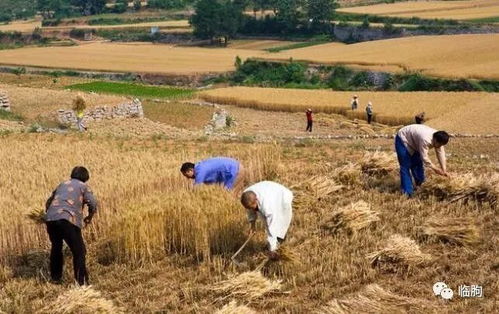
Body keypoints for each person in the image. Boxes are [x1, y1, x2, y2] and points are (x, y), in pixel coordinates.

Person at [45, 166, 97, 285]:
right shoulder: (83, 186)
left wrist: (50, 214)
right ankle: (81, 282)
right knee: (79, 251)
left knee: (56, 247)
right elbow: (93, 203)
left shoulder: (62, 184)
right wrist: (89, 217)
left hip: (51, 219)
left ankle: (55, 278)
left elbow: (48, 202)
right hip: (68, 220)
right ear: (85, 177)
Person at [240, 181, 293, 260]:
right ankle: (274, 245)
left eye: (252, 207)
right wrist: (252, 226)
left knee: (279, 224)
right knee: (266, 222)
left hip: (282, 197)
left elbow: (272, 226)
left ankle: (277, 245)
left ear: (256, 200)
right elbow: (250, 210)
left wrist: (272, 250)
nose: (252, 209)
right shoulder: (246, 196)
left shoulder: (267, 206)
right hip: (269, 191)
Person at [395, 124, 450, 196]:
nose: (440, 147)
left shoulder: (439, 138)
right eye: (439, 145)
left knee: (417, 163)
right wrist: (436, 169)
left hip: (415, 140)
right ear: (435, 140)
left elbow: (440, 153)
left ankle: (420, 185)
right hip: (403, 138)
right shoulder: (425, 139)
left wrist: (444, 170)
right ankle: (407, 192)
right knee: (405, 166)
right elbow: (425, 158)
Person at [180, 157, 245, 191]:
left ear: (190, 170)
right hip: (236, 167)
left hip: (234, 170)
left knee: (227, 194)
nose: (188, 178)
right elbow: (211, 184)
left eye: (186, 175)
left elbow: (196, 188)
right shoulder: (201, 166)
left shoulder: (200, 171)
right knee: (231, 195)